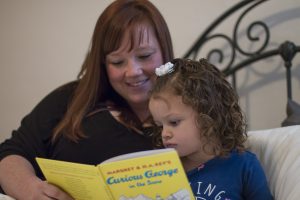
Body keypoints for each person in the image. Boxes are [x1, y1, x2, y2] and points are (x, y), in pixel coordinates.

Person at [0, 0, 174, 199]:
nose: (132, 72)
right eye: (117, 61)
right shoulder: (71, 99)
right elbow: (12, 151)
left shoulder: (191, 108)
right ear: (102, 63)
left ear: (164, 50)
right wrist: (29, 189)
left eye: (144, 56)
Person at [149, 58, 273, 200]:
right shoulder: (162, 172)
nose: (165, 134)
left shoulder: (243, 166)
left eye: (174, 122)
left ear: (209, 115)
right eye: (160, 125)